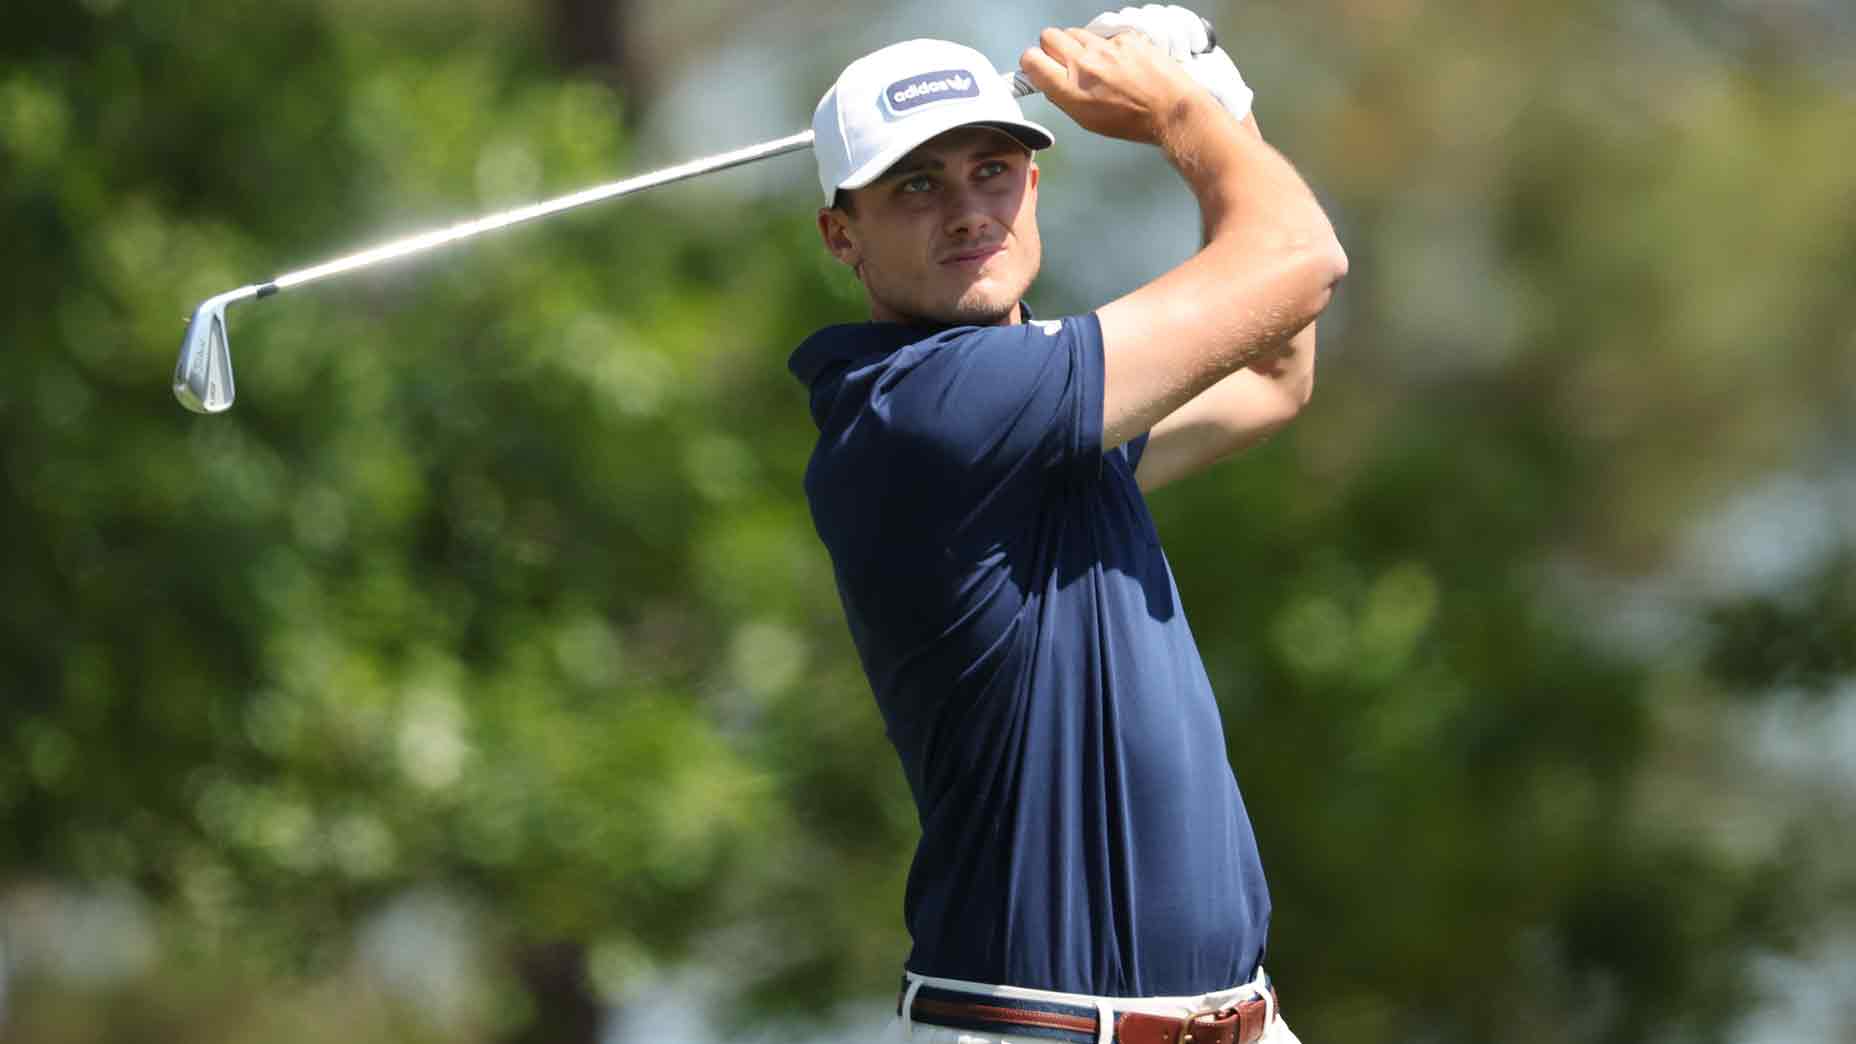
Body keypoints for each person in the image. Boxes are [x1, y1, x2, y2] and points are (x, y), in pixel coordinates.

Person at [787, 7, 1347, 1043]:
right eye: (915, 184)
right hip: (1039, 1029)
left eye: (991, 168)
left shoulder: (1034, 409)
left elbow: (1274, 372)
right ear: (840, 234)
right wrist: (1183, 108)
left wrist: (1221, 101)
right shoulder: (927, 409)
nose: (966, 211)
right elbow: (1299, 259)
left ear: (1033, 185)